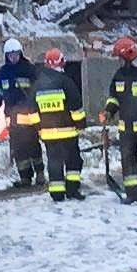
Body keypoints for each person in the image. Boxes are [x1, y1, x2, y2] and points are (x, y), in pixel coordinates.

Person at [99, 37, 137, 205]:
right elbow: (114, 98)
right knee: (128, 163)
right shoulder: (119, 75)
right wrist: (108, 111)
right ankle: (132, 194)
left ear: (129, 56)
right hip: (126, 129)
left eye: (121, 58)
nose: (119, 61)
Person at [0, 38, 45, 188]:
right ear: (6, 55)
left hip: (29, 117)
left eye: (16, 54)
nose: (13, 57)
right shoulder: (3, 72)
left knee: (33, 145)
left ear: (20, 53)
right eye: (10, 55)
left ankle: (40, 174)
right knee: (18, 149)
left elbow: (38, 90)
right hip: (12, 119)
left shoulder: (29, 69)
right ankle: (25, 177)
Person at [32, 48, 86, 201]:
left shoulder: (38, 85)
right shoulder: (66, 82)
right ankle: (72, 190)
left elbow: (32, 111)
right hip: (68, 131)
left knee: (54, 162)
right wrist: (81, 124)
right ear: (61, 63)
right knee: (73, 161)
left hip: (48, 133)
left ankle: (56, 193)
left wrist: (39, 128)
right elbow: (76, 106)